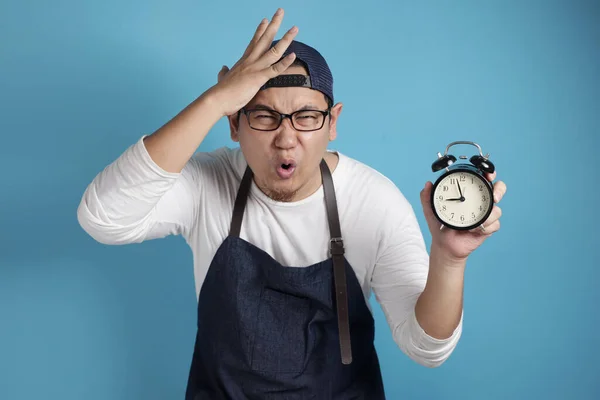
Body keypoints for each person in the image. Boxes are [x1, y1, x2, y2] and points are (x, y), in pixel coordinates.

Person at [77, 8, 507, 399]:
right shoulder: (208, 184)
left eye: (306, 117)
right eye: (264, 116)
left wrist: (449, 260)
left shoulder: (373, 201)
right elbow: (102, 218)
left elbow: (425, 347)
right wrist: (213, 100)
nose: (286, 138)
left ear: (332, 122)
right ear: (234, 123)